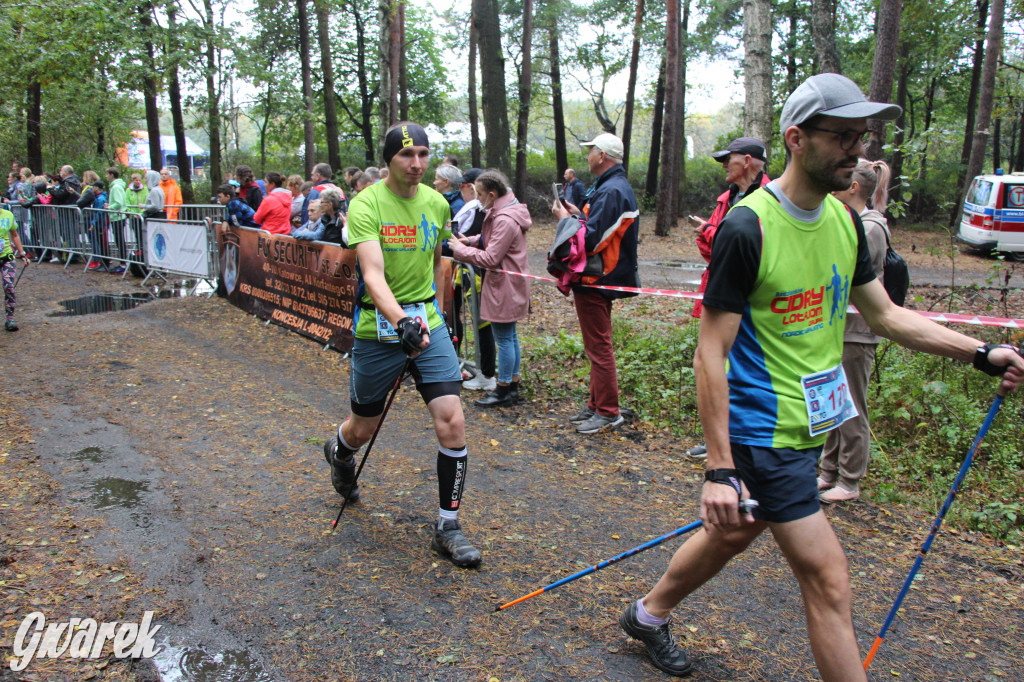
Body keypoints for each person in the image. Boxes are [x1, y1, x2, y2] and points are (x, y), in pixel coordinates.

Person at [617, 73, 1024, 680]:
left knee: (736, 531)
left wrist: (979, 351)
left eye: (861, 136)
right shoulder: (747, 227)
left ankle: (647, 615)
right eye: (842, 136)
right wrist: (720, 469)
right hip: (765, 432)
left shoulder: (845, 223)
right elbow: (710, 352)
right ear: (797, 139)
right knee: (829, 581)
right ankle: (652, 610)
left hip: (810, 425)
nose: (857, 149)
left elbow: (886, 315)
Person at [321, 121, 482, 568]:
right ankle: (340, 451)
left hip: (426, 323)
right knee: (362, 428)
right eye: (406, 156)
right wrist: (400, 319)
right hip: (380, 326)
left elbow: (435, 264)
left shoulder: (436, 204)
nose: (416, 164)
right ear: (389, 159)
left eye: (424, 155)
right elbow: (372, 274)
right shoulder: (367, 203)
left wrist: (434, 316)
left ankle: (448, 526)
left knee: (452, 420)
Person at [686, 136, 771, 460]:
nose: (723, 165)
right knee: (711, 362)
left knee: (745, 368)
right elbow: (715, 250)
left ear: (748, 161)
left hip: (760, 300)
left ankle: (743, 440)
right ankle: (718, 441)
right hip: (725, 293)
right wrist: (708, 232)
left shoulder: (772, 199)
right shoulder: (726, 199)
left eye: (728, 158)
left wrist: (709, 231)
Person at [550, 132, 640, 434]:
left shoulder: (612, 190)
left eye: (590, 151)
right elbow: (596, 228)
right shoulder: (609, 187)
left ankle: (608, 411)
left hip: (596, 278)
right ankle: (596, 404)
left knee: (599, 348)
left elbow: (591, 240)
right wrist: (578, 215)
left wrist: (565, 220)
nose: (587, 156)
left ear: (602, 156)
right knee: (596, 346)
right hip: (598, 277)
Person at [817, 159, 892, 504]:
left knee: (852, 408)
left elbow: (850, 275)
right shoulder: (852, 221)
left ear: (854, 187)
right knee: (832, 404)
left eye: (842, 180)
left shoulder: (871, 228)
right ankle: (828, 472)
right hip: (837, 329)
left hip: (857, 332)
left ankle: (850, 480)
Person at [449, 170, 531, 407]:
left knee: (504, 339)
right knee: (509, 337)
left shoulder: (504, 218)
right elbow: (493, 240)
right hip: (508, 284)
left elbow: (491, 257)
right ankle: (511, 384)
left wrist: (460, 249)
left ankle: (504, 388)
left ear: (493, 194)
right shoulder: (505, 210)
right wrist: (471, 241)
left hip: (504, 286)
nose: (478, 198)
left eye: (481, 194)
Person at [1, 204, 30, 331]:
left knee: (9, 287)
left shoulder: (8, 215)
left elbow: (14, 234)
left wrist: (22, 253)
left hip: (7, 257)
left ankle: (10, 319)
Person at [105, 167, 128, 274]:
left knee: (120, 241)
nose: (106, 176)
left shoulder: (116, 187)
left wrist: (109, 207)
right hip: (117, 217)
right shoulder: (116, 187)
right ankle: (123, 263)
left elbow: (118, 203)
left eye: (107, 174)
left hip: (118, 217)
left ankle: (123, 264)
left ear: (111, 175)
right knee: (119, 240)